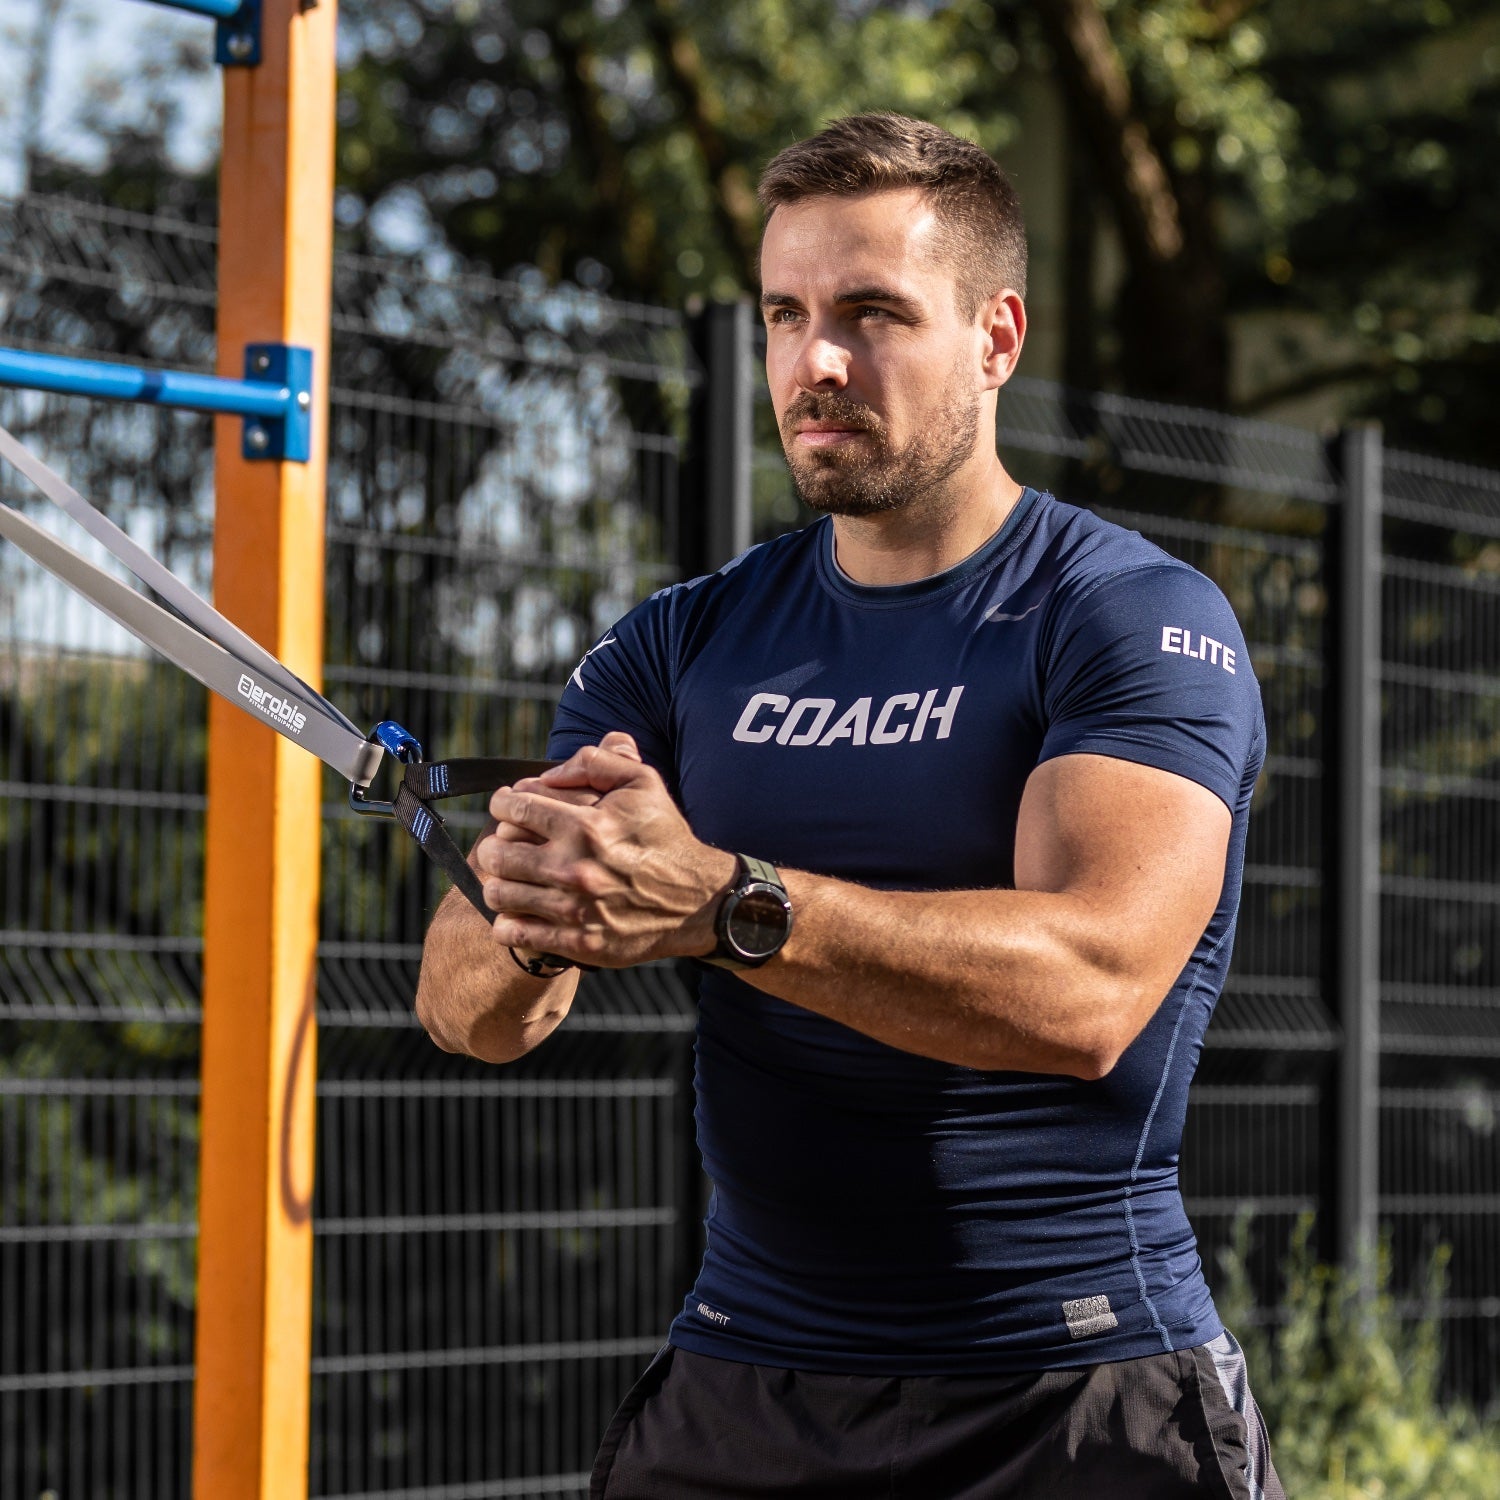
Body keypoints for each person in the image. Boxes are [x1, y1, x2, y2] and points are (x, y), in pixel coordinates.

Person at [416, 112, 1282, 1500]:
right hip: (744, 1390)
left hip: (1076, 1391)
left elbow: (1091, 991)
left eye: (872, 313)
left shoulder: (1126, 616)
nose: (815, 362)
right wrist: (539, 906)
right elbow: (465, 1013)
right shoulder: (683, 643)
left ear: (997, 338)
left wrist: (725, 904)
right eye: (786, 315)